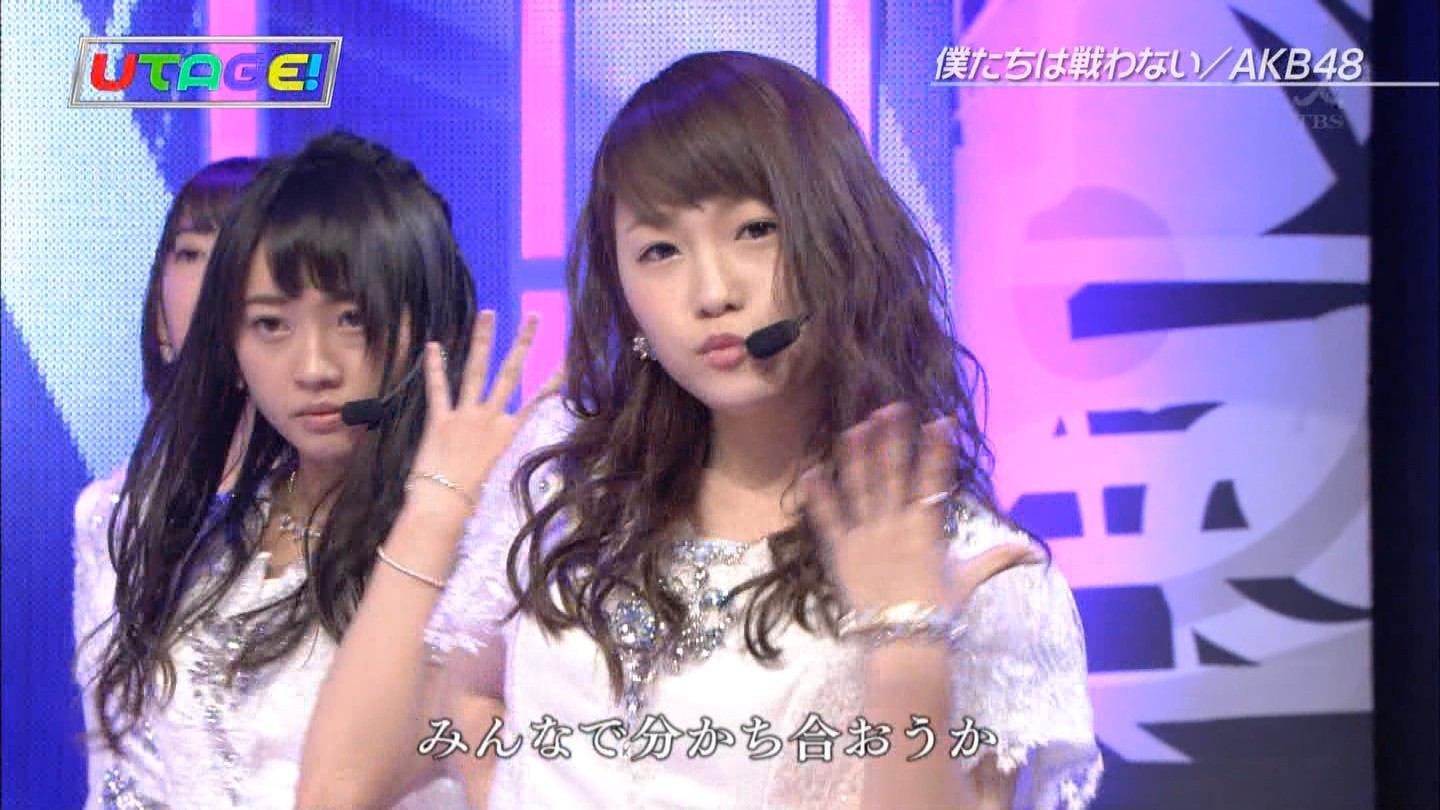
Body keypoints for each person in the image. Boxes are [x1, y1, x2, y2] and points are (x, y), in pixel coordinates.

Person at [300, 51, 1102, 810]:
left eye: (755, 230)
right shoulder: (563, 485)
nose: (712, 292)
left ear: (843, 235)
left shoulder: (971, 564)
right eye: (659, 250)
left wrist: (906, 638)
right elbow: (426, 725)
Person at [71, 132, 515, 809]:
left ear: (430, 324)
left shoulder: (494, 545)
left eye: (352, 319)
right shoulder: (190, 538)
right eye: (271, 325)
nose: (313, 368)